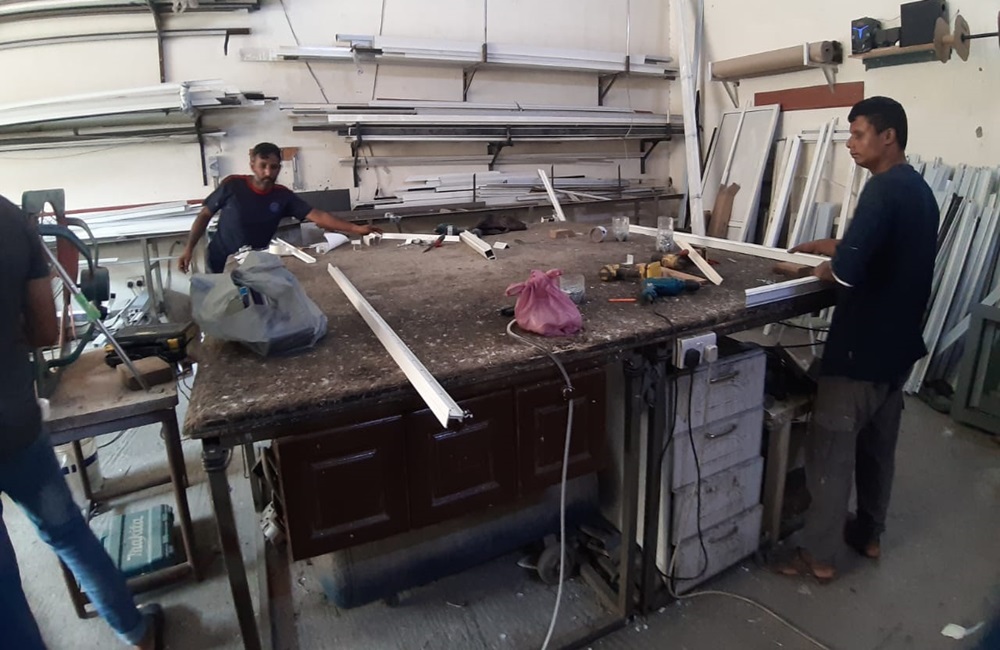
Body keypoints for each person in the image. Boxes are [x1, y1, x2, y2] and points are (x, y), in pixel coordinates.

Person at [774, 97, 939, 582]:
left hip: (859, 350)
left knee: (830, 450)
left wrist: (811, 268)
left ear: (888, 137)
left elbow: (846, 273)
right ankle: (869, 534)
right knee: (877, 448)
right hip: (898, 348)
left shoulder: (881, 191)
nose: (850, 144)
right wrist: (826, 245)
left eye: (859, 134)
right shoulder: (919, 190)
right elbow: (884, 251)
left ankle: (818, 556)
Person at [0, 195, 163, 649]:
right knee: (68, 532)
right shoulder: (9, 218)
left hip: (17, 423)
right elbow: (44, 331)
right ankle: (135, 632)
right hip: (15, 422)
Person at [177, 142, 382, 273]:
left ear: (279, 168)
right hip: (221, 259)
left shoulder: (282, 196)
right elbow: (204, 215)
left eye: (273, 167)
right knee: (219, 305)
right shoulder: (233, 185)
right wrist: (188, 249)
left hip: (256, 262)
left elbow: (318, 215)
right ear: (252, 165)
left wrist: (356, 229)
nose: (268, 172)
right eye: (262, 166)